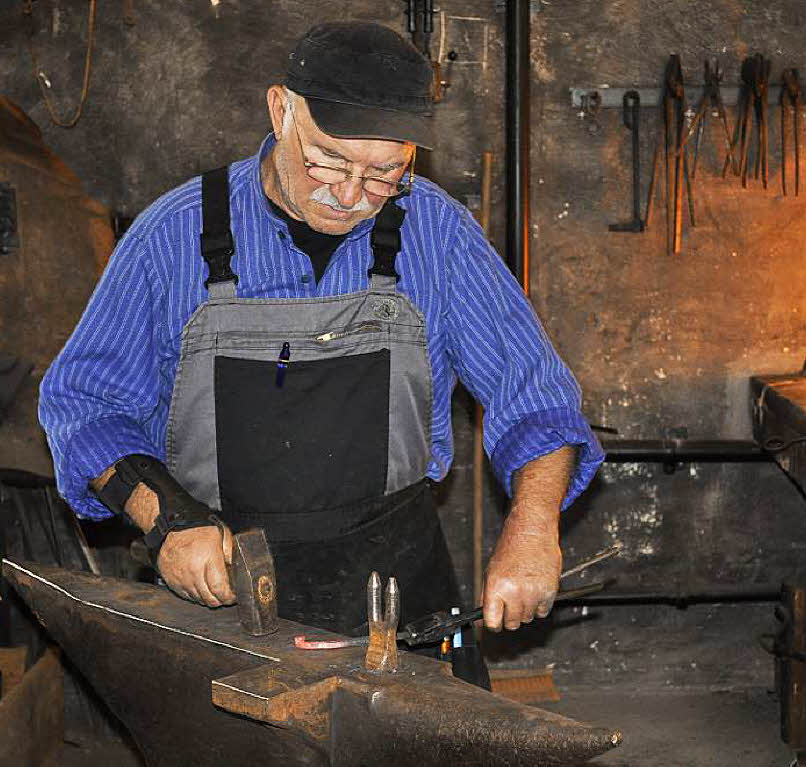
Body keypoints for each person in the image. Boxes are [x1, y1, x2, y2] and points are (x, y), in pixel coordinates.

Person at [38, 21, 603, 682]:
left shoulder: (436, 232)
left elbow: (534, 395)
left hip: (396, 595)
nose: (351, 195)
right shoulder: (173, 236)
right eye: (328, 162)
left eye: (384, 174)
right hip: (225, 605)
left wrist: (535, 529)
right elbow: (84, 404)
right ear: (281, 111)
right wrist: (166, 520)